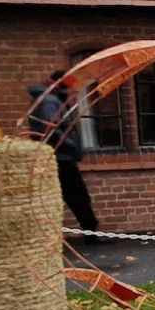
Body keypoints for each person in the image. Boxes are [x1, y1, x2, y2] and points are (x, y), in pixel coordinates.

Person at [26, 70, 99, 234]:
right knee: (77, 195)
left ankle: (91, 231)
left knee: (71, 195)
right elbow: (51, 129)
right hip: (61, 157)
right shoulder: (50, 101)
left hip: (57, 155)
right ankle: (91, 233)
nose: (74, 91)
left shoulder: (48, 99)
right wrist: (71, 145)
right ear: (62, 84)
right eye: (71, 86)